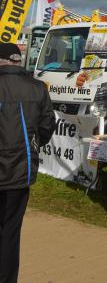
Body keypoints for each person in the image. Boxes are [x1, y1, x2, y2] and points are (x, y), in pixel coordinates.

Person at [0, 41, 56, 283]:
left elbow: (46, 126)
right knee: (10, 232)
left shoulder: (36, 87)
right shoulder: (37, 88)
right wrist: (33, 145)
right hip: (20, 169)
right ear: (17, 60)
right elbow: (47, 125)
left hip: (19, 167)